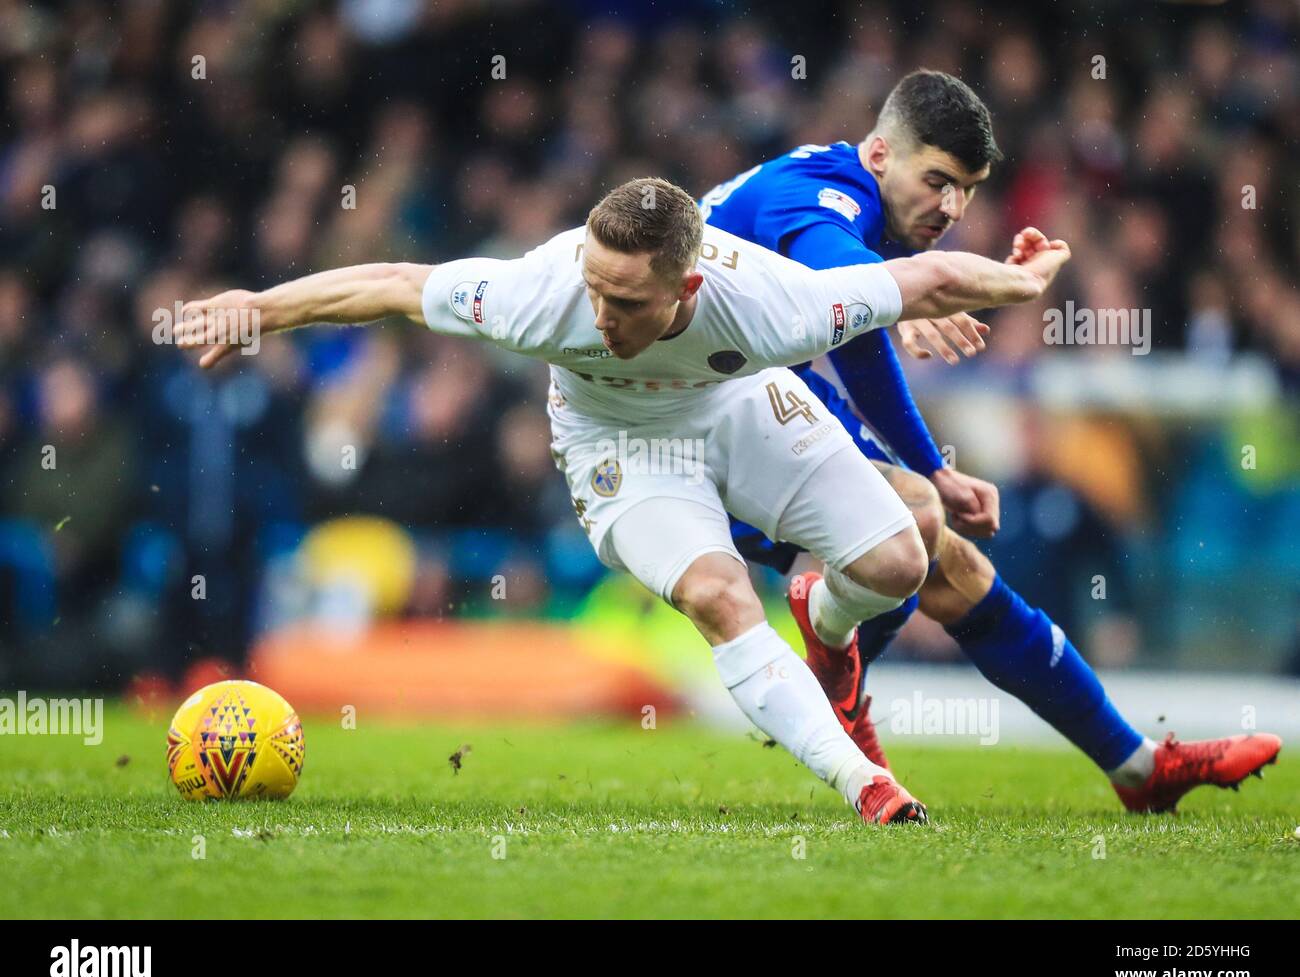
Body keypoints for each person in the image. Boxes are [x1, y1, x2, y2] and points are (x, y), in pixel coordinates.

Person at [175, 176, 1070, 825]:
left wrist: (1022, 281)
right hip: (620, 449)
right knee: (718, 594)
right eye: (595, 288)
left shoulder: (774, 305)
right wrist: (257, 305)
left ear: (685, 289)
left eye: (625, 300)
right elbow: (397, 284)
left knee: (899, 560)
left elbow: (920, 281)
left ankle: (823, 617)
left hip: (737, 404)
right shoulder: (544, 293)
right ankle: (867, 785)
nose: (599, 315)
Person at [700, 69, 1281, 812]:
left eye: (967, 188)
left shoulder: (859, 209)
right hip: (688, 409)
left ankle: (1137, 768)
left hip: (752, 388)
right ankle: (835, 675)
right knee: (909, 525)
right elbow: (845, 286)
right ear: (879, 156)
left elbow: (852, 339)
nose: (952, 206)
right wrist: (905, 298)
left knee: (955, 568)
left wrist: (931, 464)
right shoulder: (819, 199)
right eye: (938, 180)